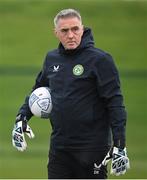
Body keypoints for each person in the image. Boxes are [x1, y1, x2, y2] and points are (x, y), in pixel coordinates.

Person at [12, 9, 130, 179]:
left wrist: (120, 143)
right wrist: (21, 117)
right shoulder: (52, 59)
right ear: (56, 33)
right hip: (59, 149)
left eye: (75, 29)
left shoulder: (100, 60)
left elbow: (115, 103)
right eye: (64, 31)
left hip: (92, 149)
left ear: (82, 29)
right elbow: (37, 90)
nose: (71, 35)